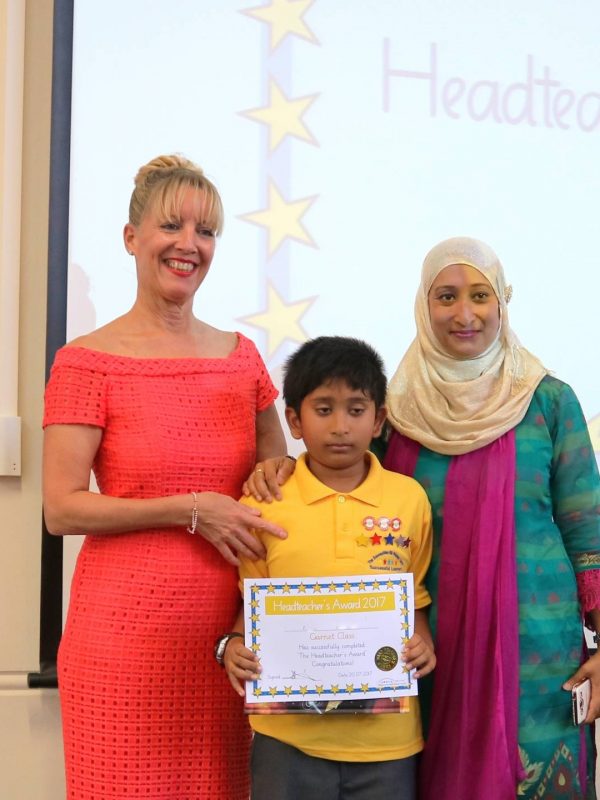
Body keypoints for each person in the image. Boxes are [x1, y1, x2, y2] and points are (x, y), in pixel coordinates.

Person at [247, 238, 600, 800]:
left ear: (502, 302)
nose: (464, 313)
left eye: (480, 295)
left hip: (534, 651)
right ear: (423, 304)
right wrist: (284, 467)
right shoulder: (398, 411)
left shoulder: (548, 402)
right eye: (446, 296)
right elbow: (347, 481)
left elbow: (588, 534)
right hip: (419, 650)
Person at [42, 154, 290, 800]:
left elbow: (280, 476)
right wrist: (191, 508)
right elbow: (61, 509)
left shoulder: (242, 360)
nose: (189, 244)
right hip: (120, 649)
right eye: (171, 225)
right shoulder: (84, 362)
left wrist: (277, 473)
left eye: (205, 231)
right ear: (131, 238)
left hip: (229, 648)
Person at [225, 336, 436, 800]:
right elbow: (251, 602)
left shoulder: (409, 499)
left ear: (378, 419)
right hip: (287, 741)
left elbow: (416, 598)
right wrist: (234, 645)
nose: (340, 426)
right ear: (294, 420)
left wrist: (423, 644)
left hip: (387, 742)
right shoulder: (264, 505)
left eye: (356, 410)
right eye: (323, 410)